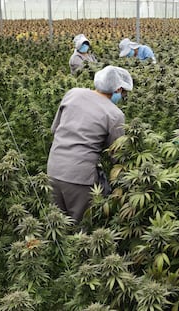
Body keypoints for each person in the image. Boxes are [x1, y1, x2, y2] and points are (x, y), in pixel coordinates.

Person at [47, 66, 133, 223]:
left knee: (57, 225)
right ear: (118, 89)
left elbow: (55, 129)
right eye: (124, 93)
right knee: (80, 228)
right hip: (80, 178)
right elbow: (117, 155)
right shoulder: (115, 114)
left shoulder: (73, 93)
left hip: (53, 169)